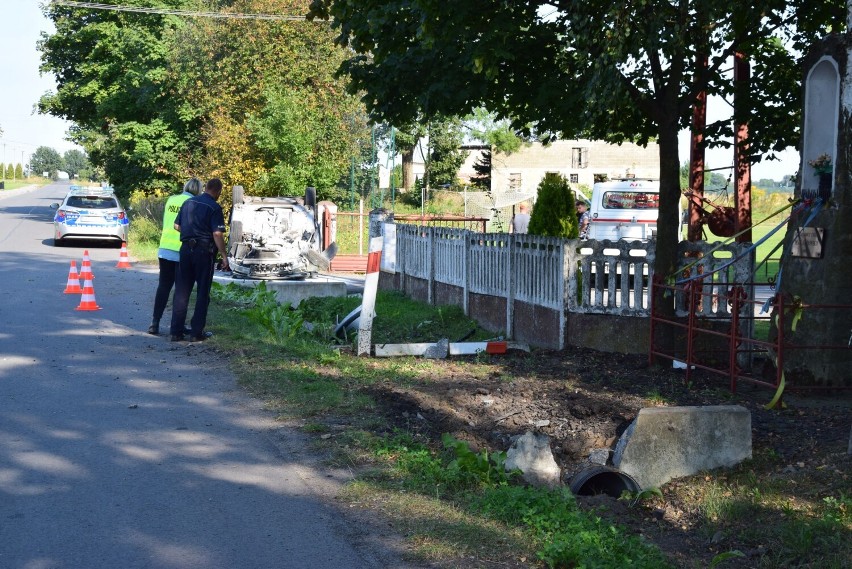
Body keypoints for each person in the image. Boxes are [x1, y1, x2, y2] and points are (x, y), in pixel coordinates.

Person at [169, 178, 229, 342]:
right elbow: (217, 233)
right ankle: (196, 333)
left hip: (185, 250)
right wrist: (224, 255)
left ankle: (176, 331)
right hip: (204, 252)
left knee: (182, 291)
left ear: (206, 187)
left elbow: (177, 226)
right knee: (203, 292)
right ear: (217, 191)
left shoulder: (188, 202)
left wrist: (191, 232)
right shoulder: (214, 207)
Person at [147, 178, 202, 335]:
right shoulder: (195, 203)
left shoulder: (172, 199)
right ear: (198, 190)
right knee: (181, 290)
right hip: (181, 250)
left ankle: (154, 322)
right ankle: (177, 326)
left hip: (164, 248)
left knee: (163, 286)